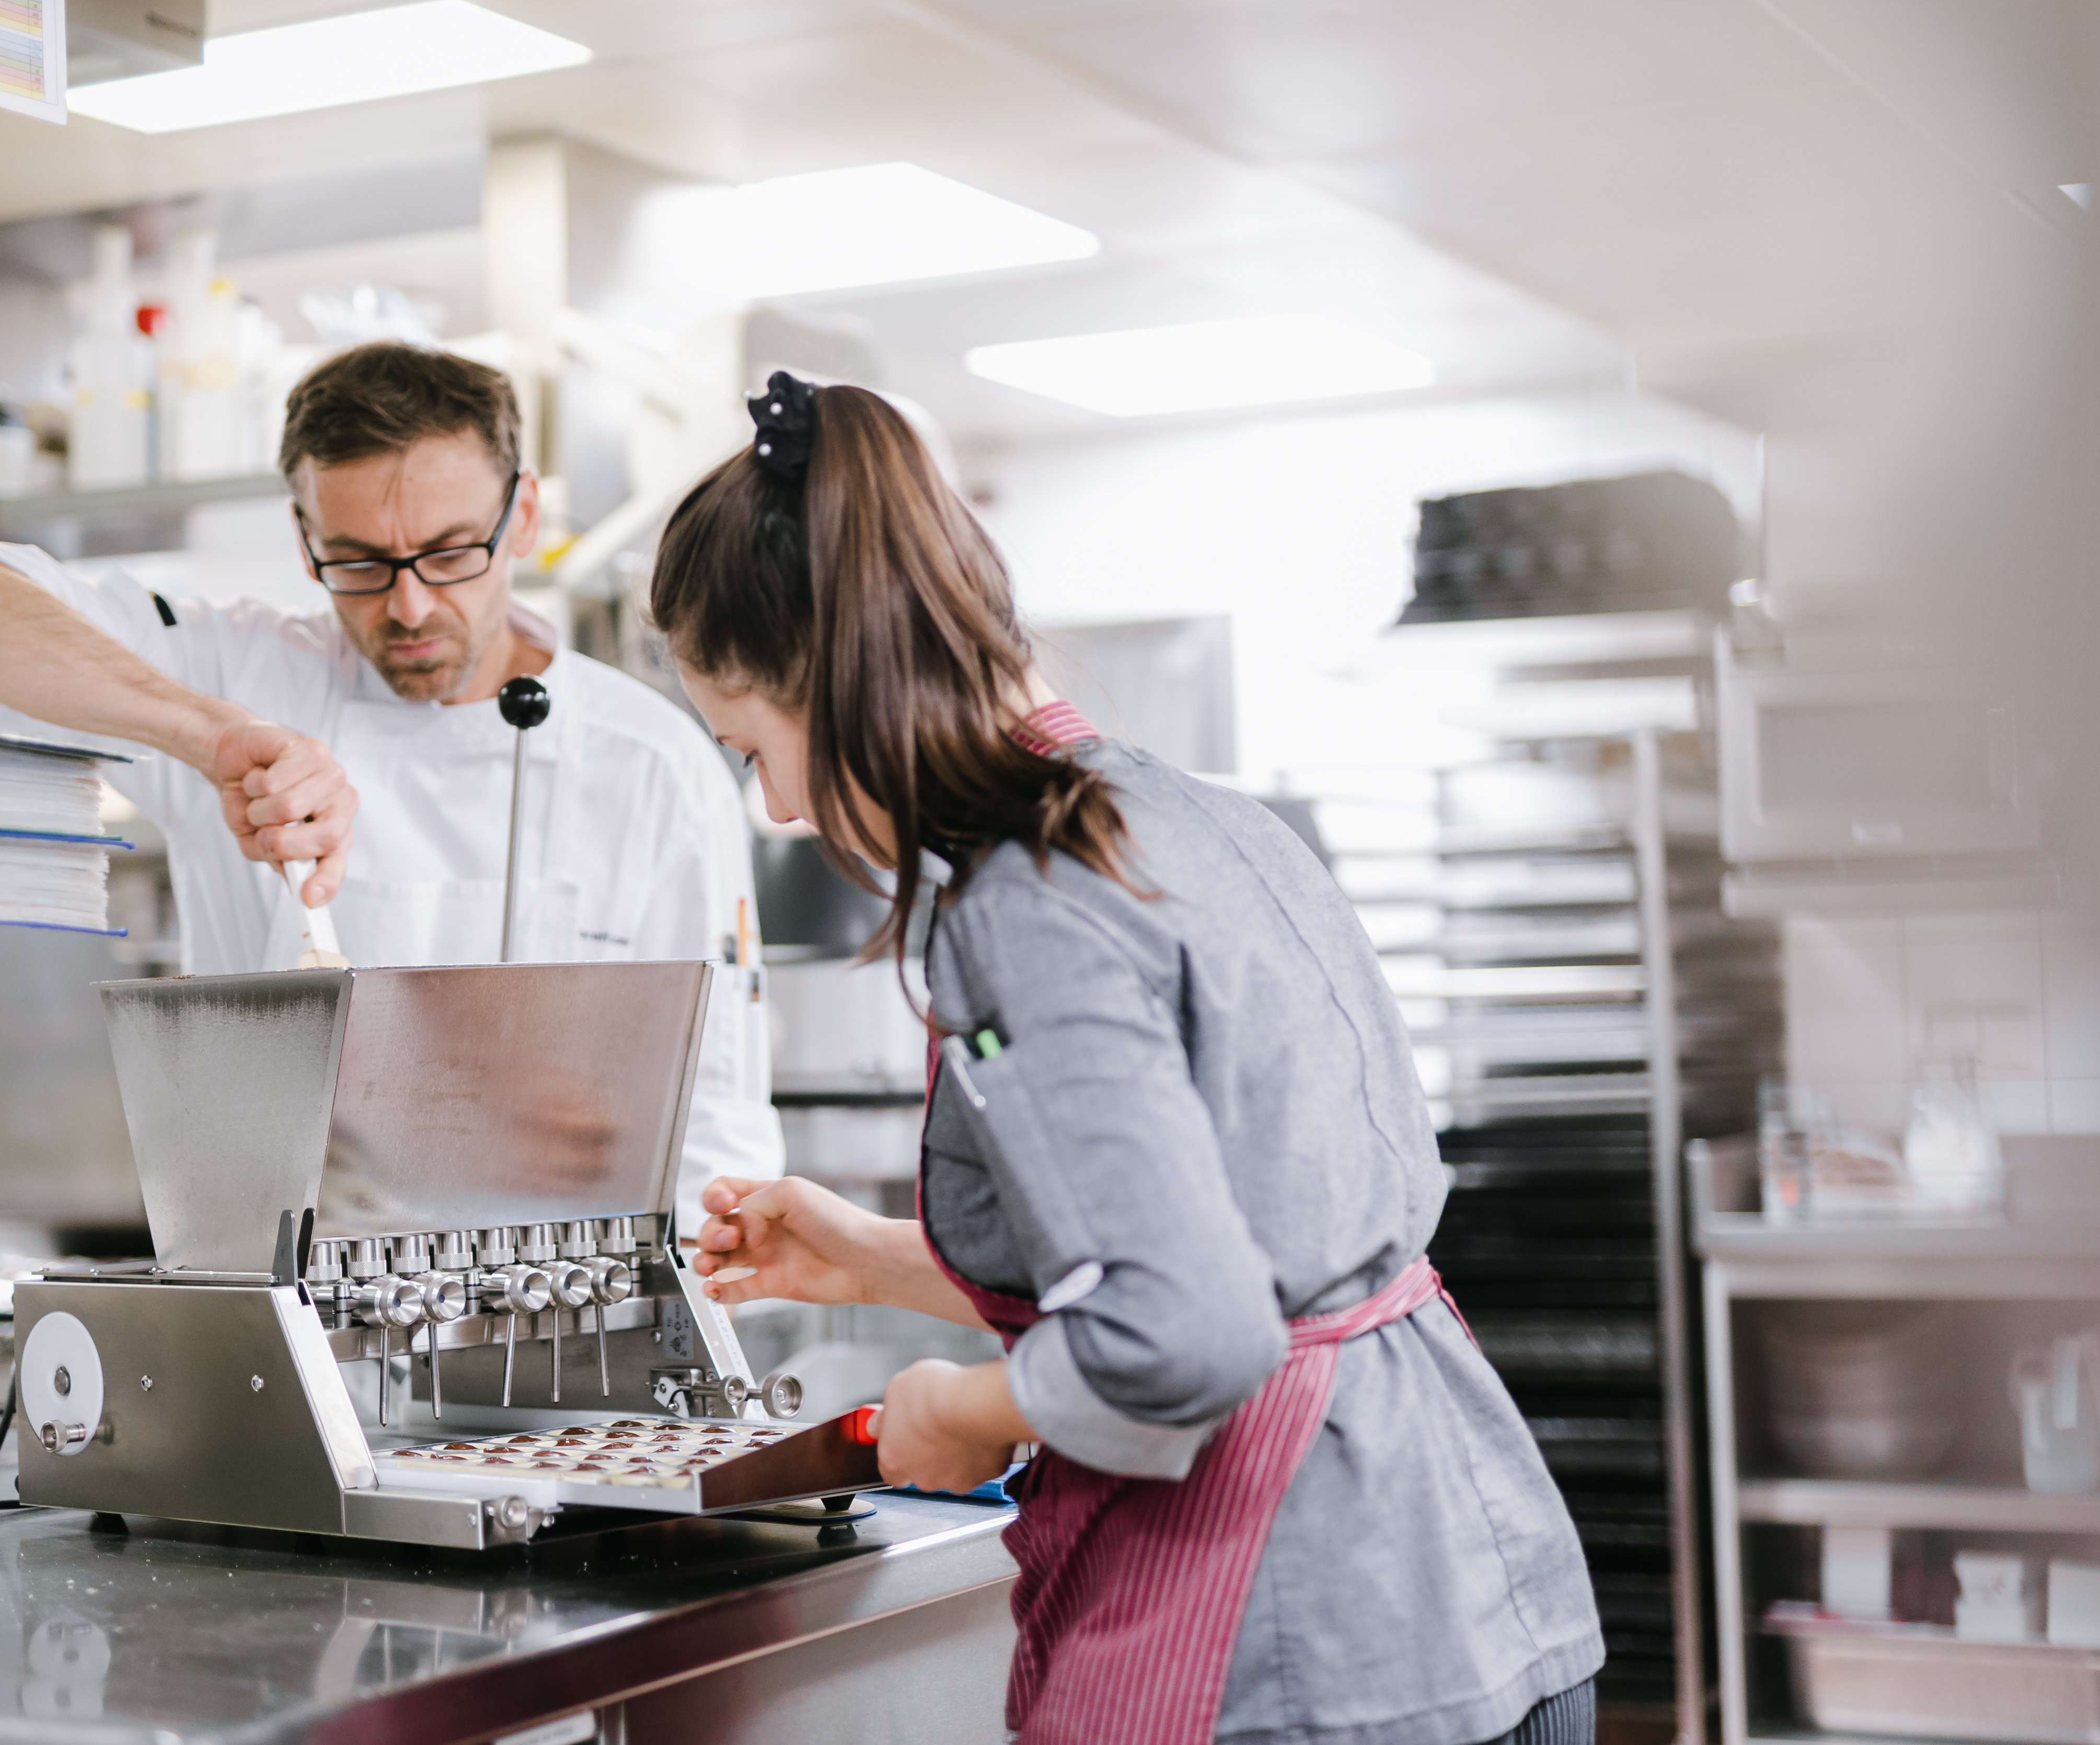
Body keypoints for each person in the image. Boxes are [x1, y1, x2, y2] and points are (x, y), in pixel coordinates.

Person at [659, 373, 1604, 1745]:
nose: (783, 808)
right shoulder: (1198, 824)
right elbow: (1232, 1251)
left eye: (759, 747)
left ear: (836, 671)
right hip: (1480, 1590)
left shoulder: (1023, 905)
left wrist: (962, 1412)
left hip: (1303, 1634)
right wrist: (867, 1258)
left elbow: (1188, 1332)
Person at [0, 342, 781, 1230]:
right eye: (360, 563)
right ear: (305, 542)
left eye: (452, 552)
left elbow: (715, 1123)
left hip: (556, 1339)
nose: (410, 605)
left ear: (525, 518)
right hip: (283, 1310)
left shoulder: (653, 766)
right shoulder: (237, 672)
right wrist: (212, 736)